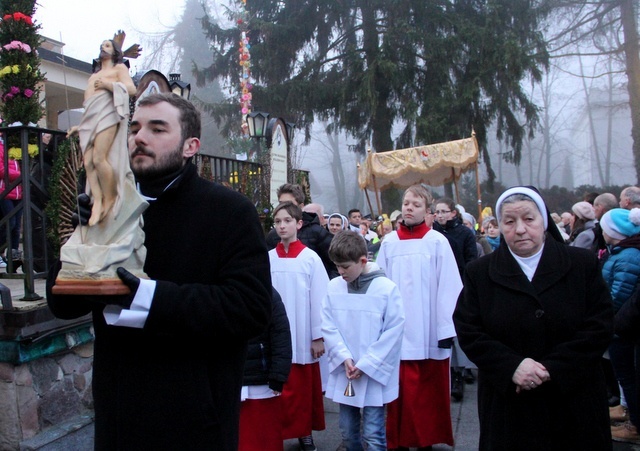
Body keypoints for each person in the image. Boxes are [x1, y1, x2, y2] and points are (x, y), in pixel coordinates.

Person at [47, 93, 272, 450]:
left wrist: (148, 296)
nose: (139, 137)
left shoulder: (229, 212)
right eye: (134, 127)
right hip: (118, 421)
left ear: (190, 145)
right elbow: (62, 305)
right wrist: (83, 244)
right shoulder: (106, 206)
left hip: (194, 423)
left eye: (157, 128)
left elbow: (251, 308)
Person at [453, 186, 614, 450]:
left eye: (529, 219)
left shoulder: (581, 264)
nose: (520, 229)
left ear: (543, 221)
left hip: (574, 398)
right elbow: (469, 330)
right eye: (509, 221)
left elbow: (599, 326)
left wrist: (551, 368)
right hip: (509, 404)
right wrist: (512, 366)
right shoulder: (479, 273)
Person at [376, 184, 463, 450]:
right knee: (398, 390)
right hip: (397, 329)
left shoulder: (437, 242)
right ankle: (400, 439)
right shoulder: (389, 243)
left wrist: (446, 329)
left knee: (426, 391)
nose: (409, 208)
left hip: (428, 330)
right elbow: (378, 284)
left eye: (415, 204)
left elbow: (449, 286)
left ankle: (425, 439)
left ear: (427, 211)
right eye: (405, 203)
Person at [322, 230, 405, 451]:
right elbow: (328, 324)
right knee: (347, 432)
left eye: (345, 267)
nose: (340, 272)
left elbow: (393, 331)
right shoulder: (334, 287)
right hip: (346, 369)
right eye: (336, 266)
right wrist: (344, 357)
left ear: (363, 260)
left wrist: (367, 364)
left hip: (373, 372)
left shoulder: (386, 289)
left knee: (373, 434)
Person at [268, 201, 328, 451]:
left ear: (299, 224)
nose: (282, 226)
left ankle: (304, 433)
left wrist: (317, 336)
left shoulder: (310, 258)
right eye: (278, 222)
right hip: (276, 332)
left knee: (301, 389)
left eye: (287, 221)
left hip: (302, 332)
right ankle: (276, 433)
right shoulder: (268, 258)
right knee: (276, 389)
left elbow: (321, 298)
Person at [71, 38, 137, 226]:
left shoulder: (119, 69)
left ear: (115, 51)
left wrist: (109, 85)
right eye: (101, 45)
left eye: (107, 45)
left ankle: (110, 198)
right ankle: (97, 200)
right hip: (91, 117)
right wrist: (80, 126)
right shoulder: (94, 75)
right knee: (89, 162)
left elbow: (132, 89)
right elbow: (89, 103)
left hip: (108, 115)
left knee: (100, 158)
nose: (103, 48)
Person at [600, 207, 640, 444]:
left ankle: (634, 423)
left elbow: (620, 293)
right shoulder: (623, 252)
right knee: (623, 374)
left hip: (623, 324)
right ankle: (628, 412)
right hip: (620, 322)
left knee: (627, 375)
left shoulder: (628, 255)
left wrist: (607, 316)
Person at [432, 197, 478, 401]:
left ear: (453, 213)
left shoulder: (464, 234)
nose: (440, 215)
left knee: (455, 331)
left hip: (458, 286)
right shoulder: (432, 234)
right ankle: (446, 373)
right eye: (437, 211)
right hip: (436, 287)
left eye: (444, 211)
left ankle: (458, 372)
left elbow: (470, 260)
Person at [239, 288, 292, 451]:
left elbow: (281, 335)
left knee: (264, 439)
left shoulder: (268, 294)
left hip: (261, 379)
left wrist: (278, 375)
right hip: (233, 379)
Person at [266, 183, 337, 279]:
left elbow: (336, 263)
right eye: (281, 203)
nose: (284, 208)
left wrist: (326, 284)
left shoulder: (317, 233)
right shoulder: (274, 235)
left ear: (301, 206)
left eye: (289, 204)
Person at [0, 139, 23, 271]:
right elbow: (2, 170)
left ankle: (13, 259)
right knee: (10, 223)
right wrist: (20, 175)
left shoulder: (15, 147)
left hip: (18, 192)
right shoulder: (1, 147)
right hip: (5, 191)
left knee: (16, 228)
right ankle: (1, 251)